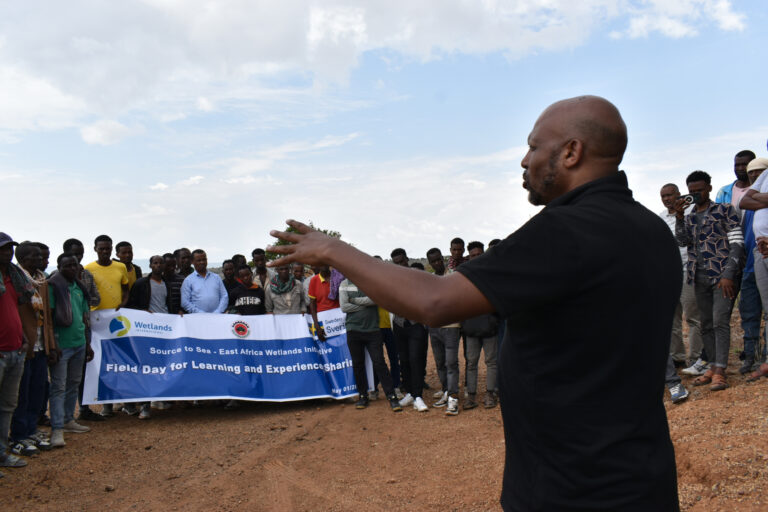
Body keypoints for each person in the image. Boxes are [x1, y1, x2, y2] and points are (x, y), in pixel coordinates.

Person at [267, 96, 680, 511]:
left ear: (572, 152)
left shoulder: (565, 230)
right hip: (644, 479)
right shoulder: (651, 231)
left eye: (535, 147)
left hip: (573, 489)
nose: (524, 160)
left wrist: (334, 250)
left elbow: (434, 300)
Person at [674, 170, 744, 391]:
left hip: (722, 277)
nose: (696, 194)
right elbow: (682, 241)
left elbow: (737, 243)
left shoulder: (724, 210)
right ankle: (713, 366)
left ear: (709, 188)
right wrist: (678, 217)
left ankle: (721, 371)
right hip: (698, 277)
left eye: (700, 190)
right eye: (692, 191)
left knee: (720, 322)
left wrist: (728, 274)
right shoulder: (690, 216)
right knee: (706, 324)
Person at [9, 243, 54, 455]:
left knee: (38, 390)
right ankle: (19, 435)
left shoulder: (41, 280)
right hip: (24, 346)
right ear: (25, 258)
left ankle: (31, 429)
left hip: (40, 345)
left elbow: (47, 316)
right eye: (37, 255)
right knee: (22, 394)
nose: (42, 258)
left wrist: (50, 344)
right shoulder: (16, 280)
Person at [47, 253, 93, 447]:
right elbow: (48, 318)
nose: (72, 269)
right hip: (61, 345)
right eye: (67, 266)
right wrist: (53, 344)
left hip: (79, 343)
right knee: (58, 386)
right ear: (59, 267)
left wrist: (87, 342)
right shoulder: (53, 287)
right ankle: (57, 429)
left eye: (75, 265)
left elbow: (84, 317)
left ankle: (68, 420)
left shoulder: (79, 288)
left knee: (74, 382)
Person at [0, 233, 37, 472]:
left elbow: (16, 311)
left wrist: (24, 339)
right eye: (3, 249)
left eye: (10, 248)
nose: (8, 252)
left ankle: (2, 453)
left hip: (16, 350)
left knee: (7, 407)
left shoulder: (14, 278)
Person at [339, 277, 401, 412]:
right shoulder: (344, 284)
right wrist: (366, 303)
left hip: (373, 330)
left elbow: (376, 299)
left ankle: (391, 396)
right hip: (353, 330)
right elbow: (344, 307)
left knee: (379, 362)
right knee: (358, 364)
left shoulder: (371, 282)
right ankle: (363, 396)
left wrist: (353, 300)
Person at [83, 235, 129, 418]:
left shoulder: (120, 267)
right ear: (95, 249)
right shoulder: (88, 269)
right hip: (97, 325)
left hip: (118, 323)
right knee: (102, 364)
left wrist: (123, 305)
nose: (104, 251)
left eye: (107, 248)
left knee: (122, 363)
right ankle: (107, 404)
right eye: (101, 248)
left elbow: (126, 289)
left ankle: (126, 402)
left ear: (112, 249)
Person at [126, 255, 176, 419]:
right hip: (148, 330)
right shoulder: (142, 283)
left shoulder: (166, 284)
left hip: (165, 329)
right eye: (155, 263)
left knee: (163, 366)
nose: (158, 265)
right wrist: (142, 313)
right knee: (147, 367)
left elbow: (169, 305)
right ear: (150, 265)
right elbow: (131, 305)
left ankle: (160, 399)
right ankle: (145, 405)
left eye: (161, 263)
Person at [658, 184, 703, 368]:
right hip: (669, 271)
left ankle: (696, 358)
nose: (667, 199)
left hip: (688, 269)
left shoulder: (692, 210)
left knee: (693, 317)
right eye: (663, 196)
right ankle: (676, 357)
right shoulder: (661, 216)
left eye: (670, 195)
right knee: (671, 318)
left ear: (679, 194)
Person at [62, 238, 102, 423]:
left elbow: (96, 299)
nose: (79, 258)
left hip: (84, 329)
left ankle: (83, 409)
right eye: (75, 254)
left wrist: (82, 299)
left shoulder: (86, 275)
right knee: (62, 379)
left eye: (81, 254)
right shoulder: (57, 279)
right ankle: (63, 416)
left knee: (80, 375)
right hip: (64, 335)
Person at [387, 249, 429, 412]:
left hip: (416, 324)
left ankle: (418, 396)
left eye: (401, 262)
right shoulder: (392, 279)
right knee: (403, 360)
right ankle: (410, 393)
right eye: (395, 263)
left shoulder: (417, 277)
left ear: (407, 259)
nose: (399, 265)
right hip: (398, 324)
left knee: (415, 359)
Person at [738, 157, 768, 380]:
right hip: (756, 254)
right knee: (758, 312)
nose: (755, 175)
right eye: (752, 173)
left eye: (759, 171)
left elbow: (751, 199)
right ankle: (759, 359)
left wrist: (759, 198)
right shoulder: (765, 178)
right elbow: (745, 201)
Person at [460, 241, 499, 409]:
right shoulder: (463, 276)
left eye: (479, 254)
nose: (476, 257)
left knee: (491, 361)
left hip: (489, 326)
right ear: (468, 256)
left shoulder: (491, 273)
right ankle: (472, 397)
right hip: (471, 327)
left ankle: (490, 394)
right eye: (473, 255)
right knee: (471, 363)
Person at [425, 247, 461, 415]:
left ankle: (453, 399)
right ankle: (446, 391)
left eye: (439, 259)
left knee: (451, 363)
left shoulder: (453, 276)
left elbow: (456, 300)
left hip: (451, 326)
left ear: (443, 258)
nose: (437, 263)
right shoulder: (429, 279)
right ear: (430, 263)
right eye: (433, 261)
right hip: (434, 327)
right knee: (440, 363)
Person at [181, 250, 228, 314]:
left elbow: (224, 296)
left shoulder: (216, 277)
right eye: (199, 260)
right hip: (198, 319)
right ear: (192, 262)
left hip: (217, 317)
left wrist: (218, 311)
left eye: (204, 259)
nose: (202, 262)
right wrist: (200, 313)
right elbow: (185, 302)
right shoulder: (188, 280)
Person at [716, 150, 757, 219]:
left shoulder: (760, 189)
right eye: (737, 165)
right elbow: (718, 217)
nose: (740, 168)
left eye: (744, 165)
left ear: (753, 165)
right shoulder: (723, 192)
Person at [307, 265, 339, 341]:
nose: (323, 264)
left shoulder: (337, 277)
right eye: (320, 263)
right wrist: (317, 326)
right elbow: (312, 305)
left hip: (339, 320)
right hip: (323, 322)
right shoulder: (314, 280)